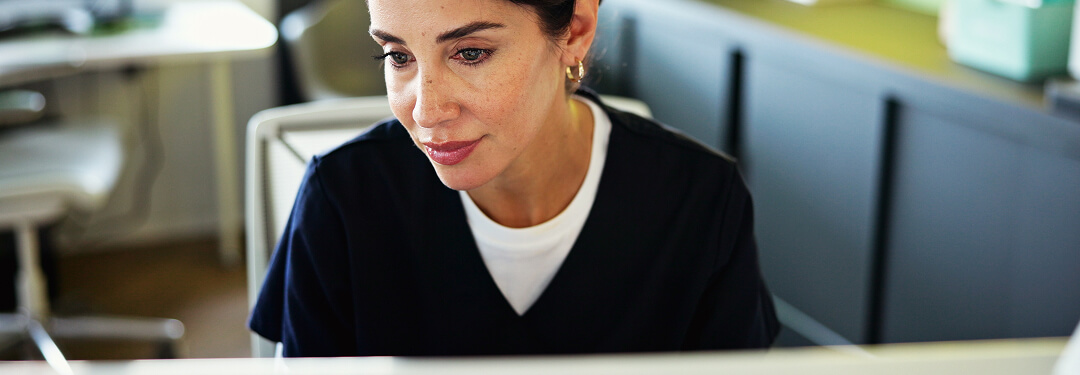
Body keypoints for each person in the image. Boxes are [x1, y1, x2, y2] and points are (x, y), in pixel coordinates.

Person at [249, 0, 779, 357]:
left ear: (576, 30)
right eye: (398, 56)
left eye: (471, 53)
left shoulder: (701, 199)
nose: (427, 110)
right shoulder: (343, 196)